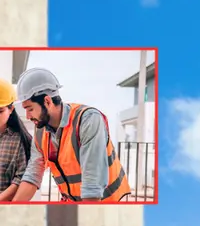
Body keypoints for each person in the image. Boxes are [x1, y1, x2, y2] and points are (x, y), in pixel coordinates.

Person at [10, 67, 131, 203]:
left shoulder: (88, 120)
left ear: (47, 102)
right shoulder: (40, 132)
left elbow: (92, 185)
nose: (27, 116)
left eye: (30, 109)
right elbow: (32, 176)